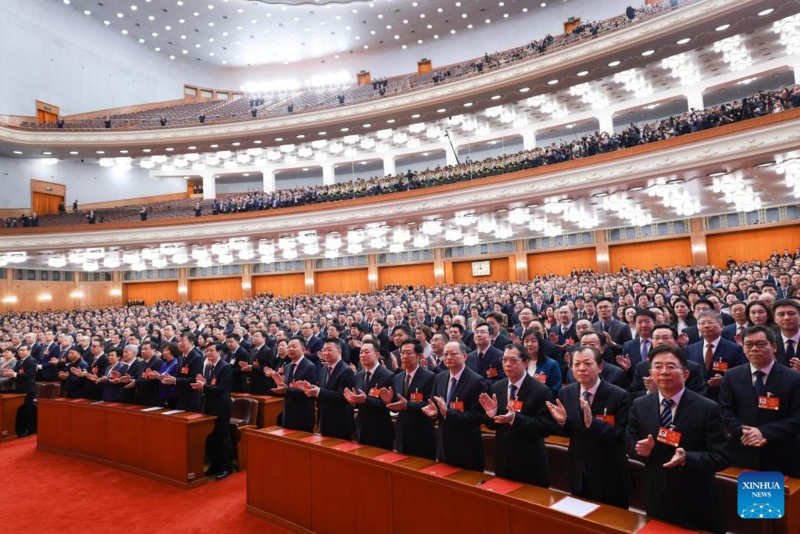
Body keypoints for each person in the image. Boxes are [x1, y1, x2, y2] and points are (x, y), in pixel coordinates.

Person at [626, 345, 729, 533]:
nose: (664, 371)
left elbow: (721, 457)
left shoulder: (707, 408)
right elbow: (630, 441)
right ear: (650, 373)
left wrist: (687, 458)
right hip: (657, 494)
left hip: (697, 497)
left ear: (686, 374)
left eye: (671, 366)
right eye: (658, 366)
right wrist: (642, 451)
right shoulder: (640, 404)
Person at [547, 346, 632, 508]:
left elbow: (622, 435)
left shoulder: (619, 395)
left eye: (587, 363)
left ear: (599, 367)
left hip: (609, 475)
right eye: (576, 364)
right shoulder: (567, 393)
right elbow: (566, 432)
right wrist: (562, 422)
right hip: (578, 472)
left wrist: (594, 424)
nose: (581, 368)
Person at [719, 326, 800, 477]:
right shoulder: (731, 376)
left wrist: (764, 432)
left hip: (781, 453)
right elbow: (725, 412)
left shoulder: (794, 378)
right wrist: (745, 431)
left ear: (774, 346)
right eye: (749, 344)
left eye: (761, 344)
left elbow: (797, 418)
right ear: (743, 348)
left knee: (777, 500)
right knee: (747, 499)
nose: (754, 349)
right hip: (743, 450)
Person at [480, 343, 554, 487]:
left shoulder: (540, 390)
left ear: (525, 362)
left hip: (530, 462)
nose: (507, 364)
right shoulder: (497, 387)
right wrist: (491, 414)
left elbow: (545, 427)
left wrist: (515, 419)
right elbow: (492, 425)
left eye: (513, 360)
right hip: (503, 460)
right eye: (504, 360)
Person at [423, 341, 487, 472]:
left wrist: (448, 413)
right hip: (443, 444)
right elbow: (435, 407)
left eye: (453, 354)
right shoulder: (439, 377)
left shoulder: (476, 381)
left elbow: (479, 415)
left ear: (464, 356)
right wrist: (434, 413)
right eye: (445, 354)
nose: (448, 357)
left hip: (466, 446)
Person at [379, 339, 436, 459]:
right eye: (402, 353)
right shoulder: (398, 377)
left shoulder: (430, 377)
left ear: (419, 356)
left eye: (408, 353)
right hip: (402, 432)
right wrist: (389, 401)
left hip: (422, 433)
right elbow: (398, 402)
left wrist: (407, 405)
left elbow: (430, 405)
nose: (404, 356)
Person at [192, 342, 233, 480]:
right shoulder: (209, 367)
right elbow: (210, 386)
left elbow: (222, 388)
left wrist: (204, 386)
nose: (208, 353)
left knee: (222, 437)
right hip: (210, 406)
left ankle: (226, 467)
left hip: (221, 406)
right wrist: (204, 384)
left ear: (219, 352)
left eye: (211, 351)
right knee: (211, 437)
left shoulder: (225, 367)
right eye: (206, 351)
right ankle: (215, 465)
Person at [629, 324, 707, 398]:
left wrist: (662, 390)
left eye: (665, 338)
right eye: (656, 338)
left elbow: (699, 395)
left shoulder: (692, 367)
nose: (660, 341)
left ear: (676, 342)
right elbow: (633, 394)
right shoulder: (641, 366)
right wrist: (650, 392)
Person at [344, 339, 395, 450]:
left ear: (377, 354)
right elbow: (359, 402)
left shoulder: (388, 376)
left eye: (366, 352)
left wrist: (366, 400)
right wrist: (353, 402)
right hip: (361, 429)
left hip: (380, 430)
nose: (362, 355)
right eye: (361, 352)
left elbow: (387, 404)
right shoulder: (359, 375)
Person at [300, 338, 355, 440]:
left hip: (340, 421)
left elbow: (342, 396)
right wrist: (311, 390)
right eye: (324, 350)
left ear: (339, 351)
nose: (325, 352)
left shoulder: (346, 370)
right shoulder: (324, 369)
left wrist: (318, 392)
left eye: (329, 350)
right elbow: (322, 392)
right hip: (324, 419)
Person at [685, 311, 746, 401]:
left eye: (710, 322)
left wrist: (724, 380)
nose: (706, 326)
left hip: (723, 398)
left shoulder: (735, 349)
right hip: (697, 399)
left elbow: (742, 374)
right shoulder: (690, 349)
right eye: (702, 323)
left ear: (721, 327)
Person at [266, 336, 318, 432]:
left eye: (294, 347)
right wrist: (280, 385)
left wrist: (287, 389)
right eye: (289, 347)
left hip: (302, 414)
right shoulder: (287, 366)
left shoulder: (310, 367)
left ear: (303, 349)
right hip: (288, 412)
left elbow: (309, 392)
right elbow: (286, 386)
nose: (290, 349)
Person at [161, 333, 204, 412]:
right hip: (180, 397)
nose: (180, 343)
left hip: (190, 398)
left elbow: (194, 379)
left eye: (183, 341)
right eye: (179, 341)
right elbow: (179, 376)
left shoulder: (196, 357)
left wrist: (175, 380)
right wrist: (171, 378)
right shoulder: (181, 357)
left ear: (191, 343)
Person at [2, 345, 37, 436]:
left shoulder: (32, 361)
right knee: (20, 410)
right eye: (19, 350)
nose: (20, 352)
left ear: (29, 351)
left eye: (23, 350)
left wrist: (14, 374)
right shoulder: (19, 362)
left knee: (27, 410)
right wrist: (10, 373)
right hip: (19, 388)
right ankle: (20, 429)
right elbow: (16, 374)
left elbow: (28, 375)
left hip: (28, 389)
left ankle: (29, 430)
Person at [521, 328, 562, 394]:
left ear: (539, 343)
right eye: (526, 341)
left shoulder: (552, 364)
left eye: (533, 341)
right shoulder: (521, 363)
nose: (529, 344)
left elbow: (555, 389)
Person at [247, 330, 276, 395]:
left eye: (257, 336)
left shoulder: (268, 351)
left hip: (262, 384)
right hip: (252, 383)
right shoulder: (252, 351)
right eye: (253, 336)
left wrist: (252, 367)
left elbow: (268, 368)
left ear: (264, 338)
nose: (254, 338)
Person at [773, 299, 800, 368]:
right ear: (775, 319)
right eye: (781, 314)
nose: (786, 318)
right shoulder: (770, 343)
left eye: (791, 313)